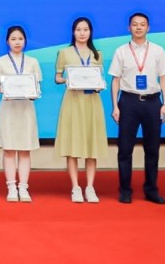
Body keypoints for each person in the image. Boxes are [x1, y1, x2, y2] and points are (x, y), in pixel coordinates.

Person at [109, 12, 165, 204]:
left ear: (148, 28)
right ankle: (125, 190)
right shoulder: (121, 51)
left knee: (152, 149)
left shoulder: (158, 51)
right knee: (125, 149)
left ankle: (151, 190)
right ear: (129, 28)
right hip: (128, 102)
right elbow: (116, 80)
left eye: (142, 24)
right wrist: (115, 106)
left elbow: (164, 78)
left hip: (153, 102)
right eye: (135, 24)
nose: (138, 27)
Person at [54, 17, 108, 203]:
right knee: (73, 144)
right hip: (73, 102)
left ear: (90, 32)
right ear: (73, 32)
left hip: (92, 102)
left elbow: (100, 78)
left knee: (91, 145)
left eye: (85, 29)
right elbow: (57, 78)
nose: (82, 33)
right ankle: (76, 187)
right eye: (78, 29)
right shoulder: (64, 52)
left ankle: (90, 187)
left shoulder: (97, 54)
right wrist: (69, 79)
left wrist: (99, 84)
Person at [0, 25, 42, 202]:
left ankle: (24, 188)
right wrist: (5, 89)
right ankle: (11, 187)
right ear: (7, 41)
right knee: (9, 150)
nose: (17, 42)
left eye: (20, 39)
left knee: (25, 150)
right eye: (13, 39)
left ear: (25, 41)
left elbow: (37, 85)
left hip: (26, 110)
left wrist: (34, 93)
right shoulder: (0, 62)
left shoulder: (33, 62)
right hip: (8, 110)